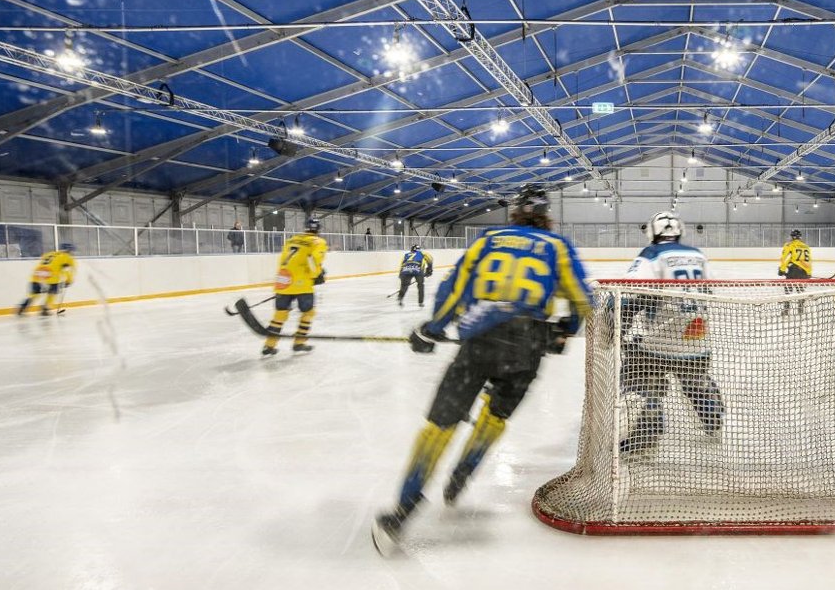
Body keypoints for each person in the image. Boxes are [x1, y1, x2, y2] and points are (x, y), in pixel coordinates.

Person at [373, 185, 593, 556]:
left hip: (480, 340)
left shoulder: (488, 240)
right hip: (527, 346)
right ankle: (463, 473)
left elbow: (455, 286)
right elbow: (582, 300)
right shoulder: (556, 247)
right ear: (545, 215)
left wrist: (433, 328)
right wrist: (563, 331)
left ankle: (404, 507)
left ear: (516, 213)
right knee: (496, 415)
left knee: (440, 424)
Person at [618, 211, 724, 455]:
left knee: (642, 380)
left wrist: (619, 321)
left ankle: (642, 441)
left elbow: (631, 293)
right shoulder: (698, 255)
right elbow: (710, 292)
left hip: (660, 341)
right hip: (697, 338)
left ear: (652, 232)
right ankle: (714, 421)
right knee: (696, 380)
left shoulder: (652, 255)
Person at [261, 218, 328, 356]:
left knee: (280, 314)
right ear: (318, 229)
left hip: (283, 281)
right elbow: (313, 260)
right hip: (302, 284)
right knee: (308, 313)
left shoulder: (291, 240)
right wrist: (317, 275)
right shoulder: (318, 242)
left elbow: (284, 260)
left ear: (305, 228)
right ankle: (299, 342)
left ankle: (269, 345)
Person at [16, 243, 77, 317]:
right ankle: (45, 308)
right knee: (52, 293)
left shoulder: (49, 254)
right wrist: (69, 280)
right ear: (69, 251)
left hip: (37, 276)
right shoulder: (67, 257)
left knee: (34, 294)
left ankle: (23, 307)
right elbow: (68, 270)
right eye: (72, 251)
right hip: (52, 278)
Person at [778, 229, 812, 314]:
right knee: (800, 290)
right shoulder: (806, 246)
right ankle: (800, 308)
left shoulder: (790, 245)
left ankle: (786, 309)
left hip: (793, 270)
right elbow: (809, 261)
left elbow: (784, 258)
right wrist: (808, 273)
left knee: (788, 289)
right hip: (804, 272)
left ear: (792, 237)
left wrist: (782, 270)